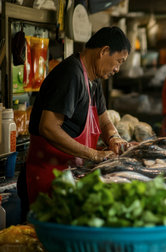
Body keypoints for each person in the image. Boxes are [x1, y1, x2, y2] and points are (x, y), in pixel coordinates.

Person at [17, 27, 131, 213]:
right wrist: (94, 155)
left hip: (67, 174)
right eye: (118, 61)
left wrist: (114, 138)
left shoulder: (93, 81)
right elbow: (48, 127)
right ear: (103, 51)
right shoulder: (71, 74)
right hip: (47, 176)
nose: (117, 69)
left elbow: (103, 120)